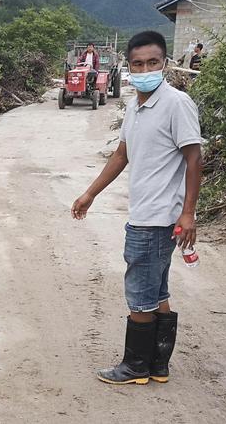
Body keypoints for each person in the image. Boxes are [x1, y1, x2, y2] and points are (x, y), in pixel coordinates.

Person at [71, 31, 202, 385]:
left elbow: (194, 158)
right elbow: (121, 154)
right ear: (128, 67)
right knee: (156, 291)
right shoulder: (135, 106)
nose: (145, 68)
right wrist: (90, 194)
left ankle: (135, 367)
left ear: (164, 64)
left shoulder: (176, 103)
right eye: (138, 63)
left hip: (157, 217)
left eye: (153, 62)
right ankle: (157, 365)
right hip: (147, 213)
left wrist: (188, 213)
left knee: (140, 294)